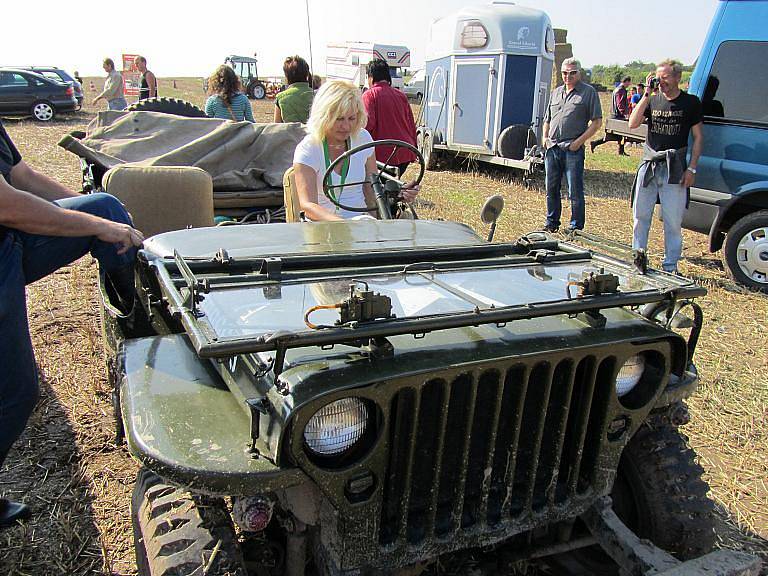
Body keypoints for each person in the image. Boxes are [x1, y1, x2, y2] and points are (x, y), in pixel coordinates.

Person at [0, 120, 143, 528]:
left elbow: (21, 175)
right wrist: (96, 226)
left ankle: (134, 330)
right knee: (14, 393)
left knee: (107, 205)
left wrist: (98, 212)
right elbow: (8, 204)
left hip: (8, 242)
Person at [292, 80, 418, 221]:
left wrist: (399, 195)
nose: (346, 126)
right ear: (323, 116)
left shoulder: (363, 138)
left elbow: (371, 189)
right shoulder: (308, 148)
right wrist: (343, 225)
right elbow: (308, 205)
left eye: (351, 118)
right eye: (339, 119)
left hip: (361, 223)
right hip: (323, 227)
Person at [628, 59, 703, 275]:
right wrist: (646, 95)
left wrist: (692, 168)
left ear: (678, 78)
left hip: (675, 167)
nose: (661, 82)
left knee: (672, 220)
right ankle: (638, 259)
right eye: (658, 77)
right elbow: (633, 123)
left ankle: (670, 265)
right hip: (650, 164)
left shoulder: (691, 103)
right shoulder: (652, 101)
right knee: (640, 216)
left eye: (666, 77)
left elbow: (698, 138)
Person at [542, 58, 602, 232]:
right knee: (551, 188)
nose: (568, 76)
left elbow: (597, 122)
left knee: (574, 191)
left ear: (579, 73)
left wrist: (578, 142)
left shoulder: (588, 92)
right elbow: (547, 119)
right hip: (552, 148)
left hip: (572, 150)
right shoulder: (556, 92)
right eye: (565, 73)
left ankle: (575, 227)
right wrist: (544, 138)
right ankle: (551, 223)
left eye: (572, 73)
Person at [361, 59, 417, 178]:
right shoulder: (401, 95)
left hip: (383, 155)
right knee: (392, 187)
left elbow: (367, 124)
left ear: (370, 77)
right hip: (404, 151)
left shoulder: (369, 95)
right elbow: (411, 124)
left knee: (377, 190)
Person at [590, 75, 631, 155]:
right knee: (616, 135)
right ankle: (595, 143)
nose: (629, 84)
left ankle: (621, 151)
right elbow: (620, 104)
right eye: (629, 82)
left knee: (620, 135)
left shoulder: (617, 89)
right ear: (626, 82)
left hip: (615, 115)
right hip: (618, 116)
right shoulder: (620, 90)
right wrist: (625, 113)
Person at [273, 56, 314, 123]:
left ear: (286, 76)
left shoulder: (280, 98)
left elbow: (277, 126)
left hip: (288, 133)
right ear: (307, 74)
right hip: (313, 133)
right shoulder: (318, 96)